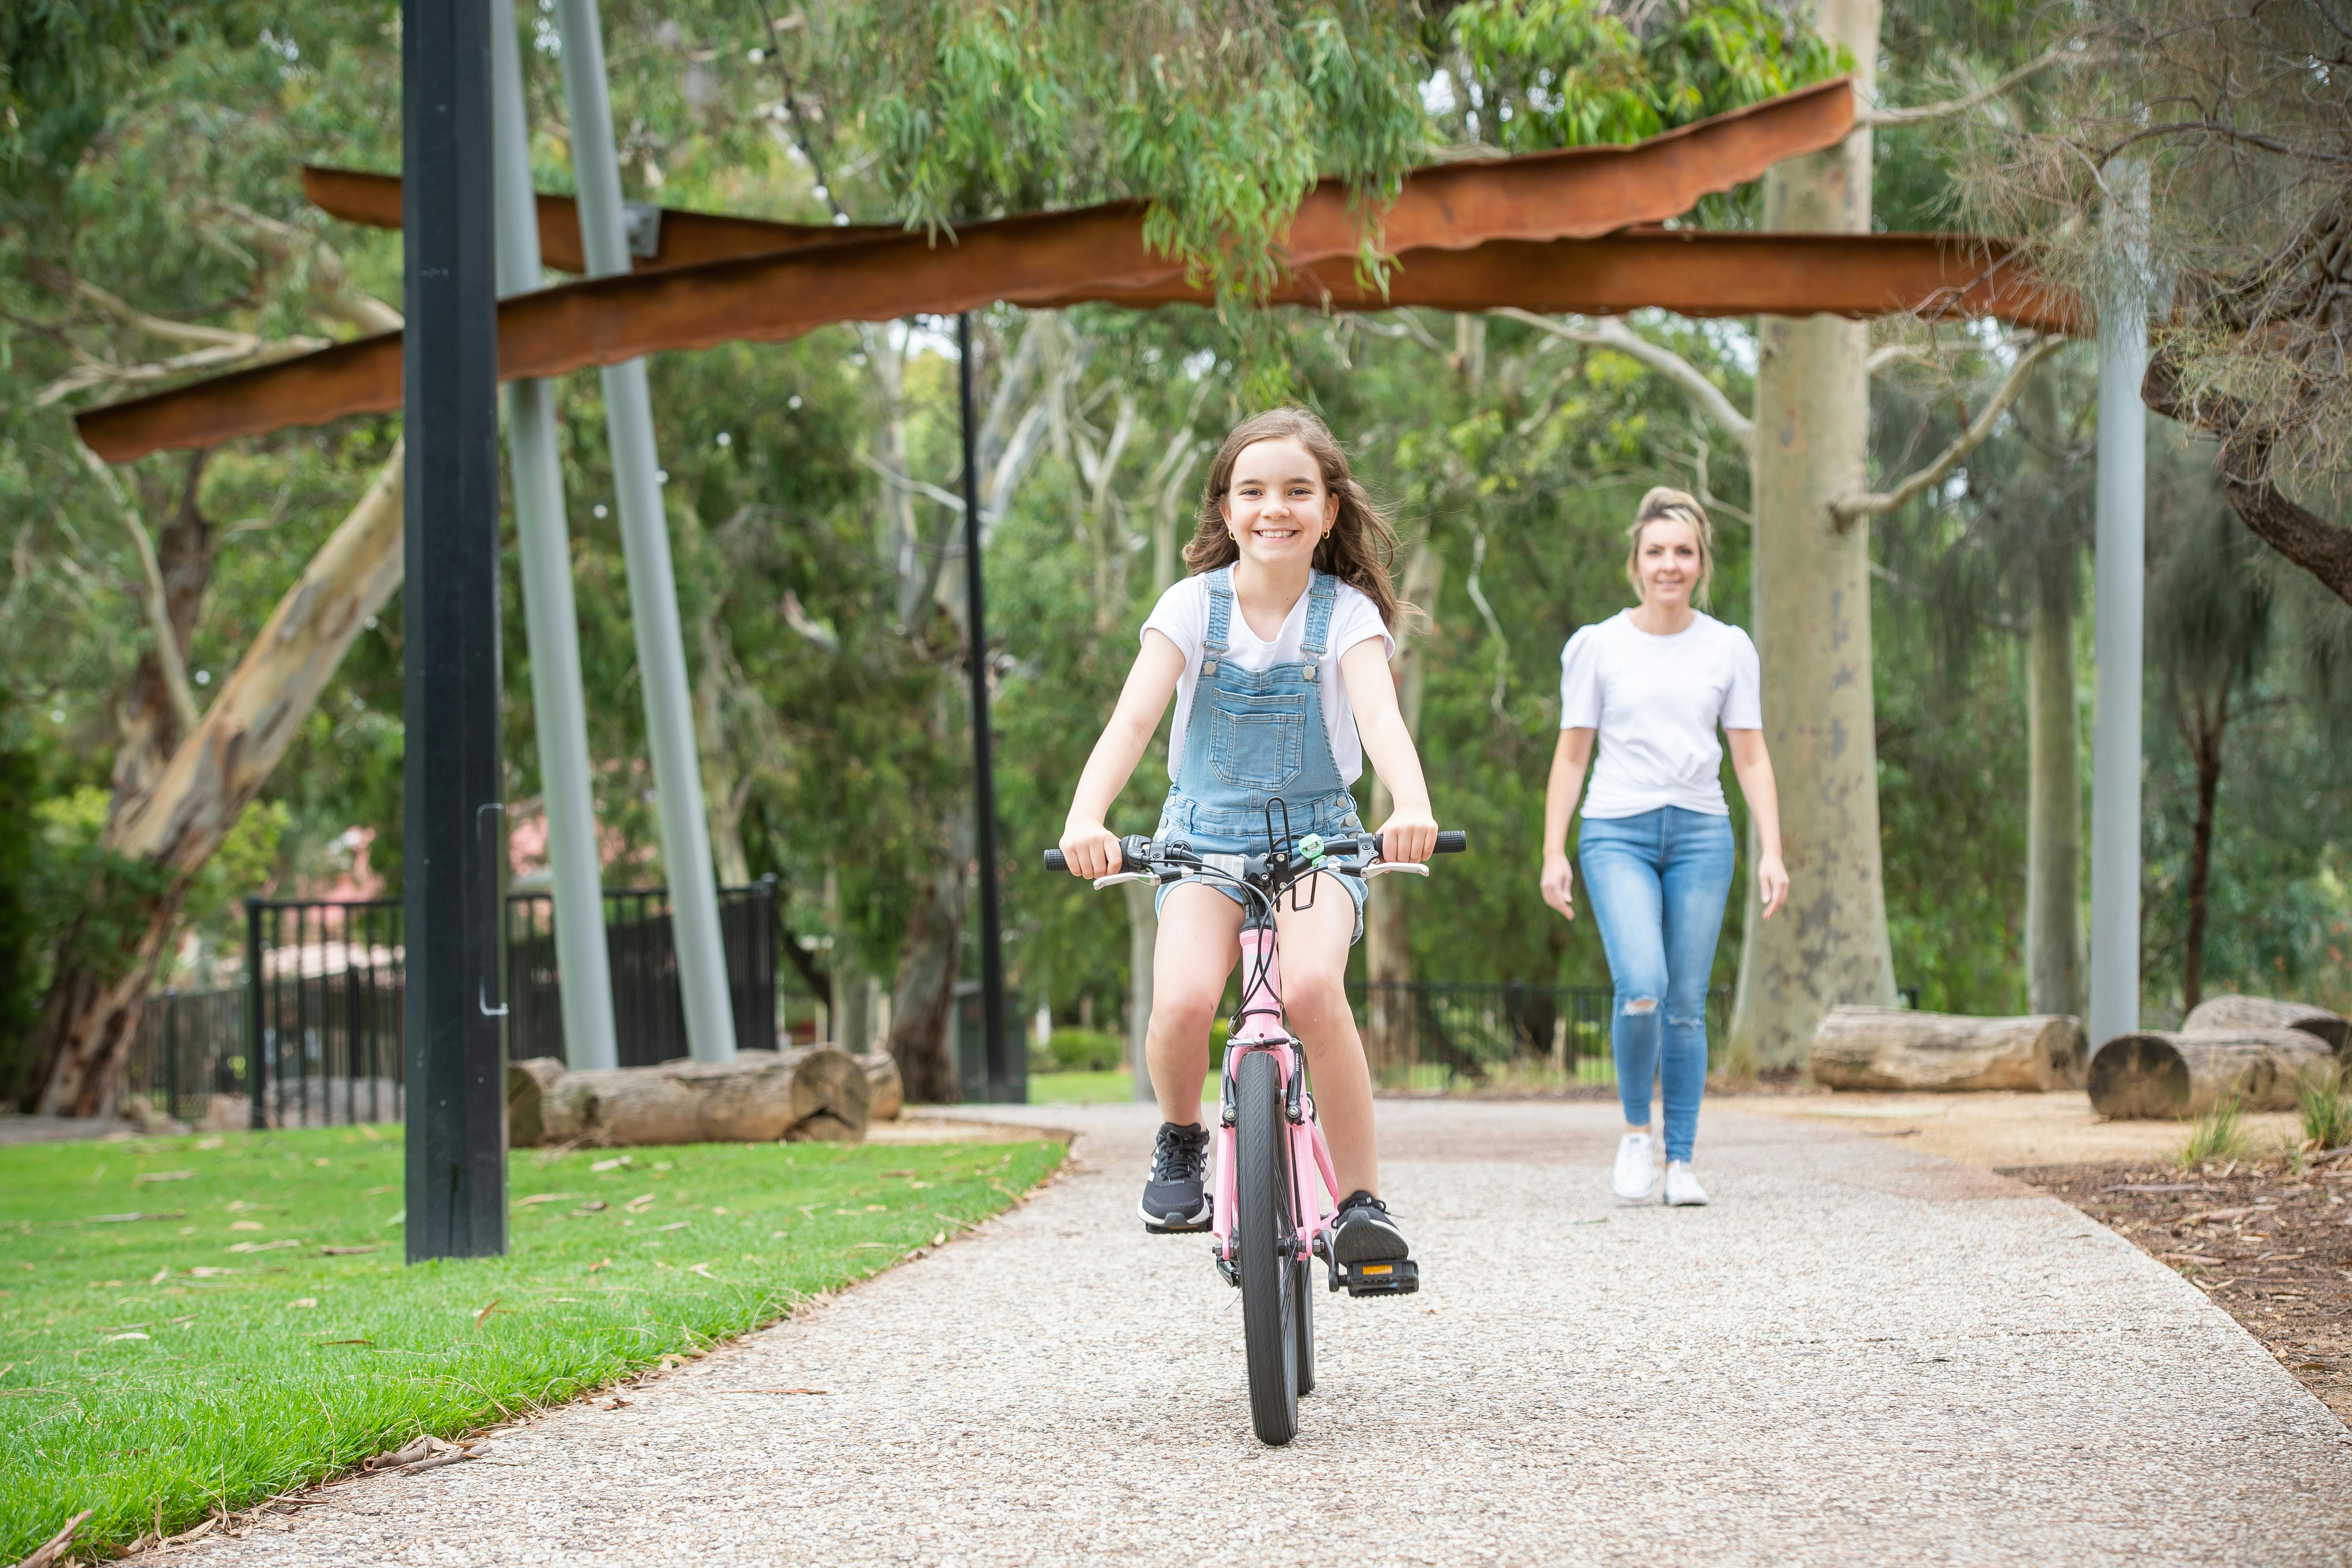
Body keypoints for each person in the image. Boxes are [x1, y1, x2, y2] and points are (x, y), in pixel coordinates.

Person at [1057, 407, 1438, 1266]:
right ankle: (1182, 1135)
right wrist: (1087, 818)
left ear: (1329, 510)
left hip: (1317, 843)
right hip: (1202, 841)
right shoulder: (1193, 606)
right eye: (1254, 491)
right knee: (1184, 1001)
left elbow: (1380, 717)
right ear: (1226, 510)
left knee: (1313, 987)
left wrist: (1409, 806)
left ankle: (1361, 1205)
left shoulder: (1348, 615)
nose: (1276, 508)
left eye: (1298, 491)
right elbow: (1133, 721)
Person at [1538, 487, 1788, 1207]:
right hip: (1616, 831)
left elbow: (1750, 756)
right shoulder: (1599, 646)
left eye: (1683, 552)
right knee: (1643, 984)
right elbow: (1571, 756)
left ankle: (1681, 1161)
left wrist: (1773, 850)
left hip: (1702, 834)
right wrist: (1553, 851)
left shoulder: (1728, 647)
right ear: (1636, 564)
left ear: (1701, 563)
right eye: (1656, 552)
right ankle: (1635, 1134)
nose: (1669, 565)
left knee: (1685, 1003)